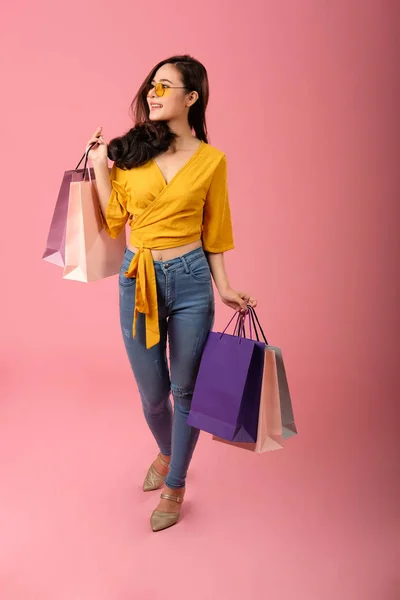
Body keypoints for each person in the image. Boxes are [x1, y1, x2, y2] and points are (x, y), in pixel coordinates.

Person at [86, 54, 257, 532]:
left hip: (190, 280)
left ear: (192, 97)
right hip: (137, 276)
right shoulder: (134, 151)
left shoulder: (211, 160)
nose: (153, 94)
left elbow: (215, 229)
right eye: (151, 87)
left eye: (165, 86)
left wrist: (224, 286)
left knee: (186, 391)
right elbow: (114, 218)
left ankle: (175, 482)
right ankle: (168, 450)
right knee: (153, 395)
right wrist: (101, 165)